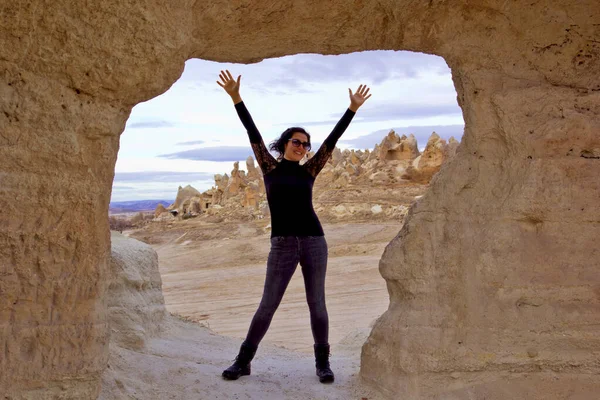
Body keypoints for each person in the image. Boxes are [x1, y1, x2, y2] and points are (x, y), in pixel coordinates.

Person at [217, 69, 371, 384]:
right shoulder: (269, 167)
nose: (301, 147)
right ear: (285, 143)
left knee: (317, 304)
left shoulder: (310, 170)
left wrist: (352, 108)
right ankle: (243, 361)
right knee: (267, 305)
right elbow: (252, 132)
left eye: (305, 144)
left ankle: (323, 364)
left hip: (314, 241)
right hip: (283, 244)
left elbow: (333, 139)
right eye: (296, 142)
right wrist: (235, 97)